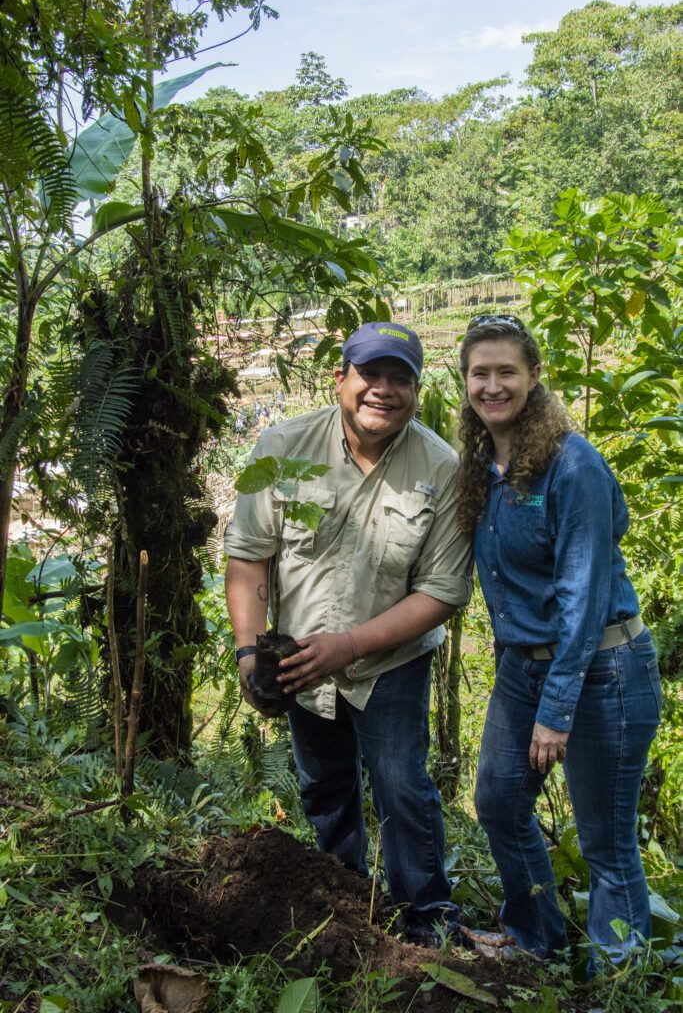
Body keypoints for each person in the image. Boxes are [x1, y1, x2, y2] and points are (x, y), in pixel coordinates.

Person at [225, 321, 473, 944]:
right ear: (341, 378)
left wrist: (352, 644)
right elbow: (249, 556)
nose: (382, 391)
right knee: (324, 787)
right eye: (370, 375)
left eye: (400, 379)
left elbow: (442, 591)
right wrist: (249, 653)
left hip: (390, 662)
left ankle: (426, 922)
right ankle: (343, 905)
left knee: (404, 791)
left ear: (416, 390)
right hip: (300, 659)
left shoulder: (442, 468)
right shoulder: (283, 446)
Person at [456, 313, 662, 966]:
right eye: (479, 373)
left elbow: (582, 597)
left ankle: (619, 973)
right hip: (525, 666)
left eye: (505, 372)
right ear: (463, 380)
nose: (492, 386)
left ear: (533, 376)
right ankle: (535, 936)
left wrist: (555, 710)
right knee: (497, 801)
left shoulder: (571, 466)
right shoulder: (484, 463)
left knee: (606, 843)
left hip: (601, 668)